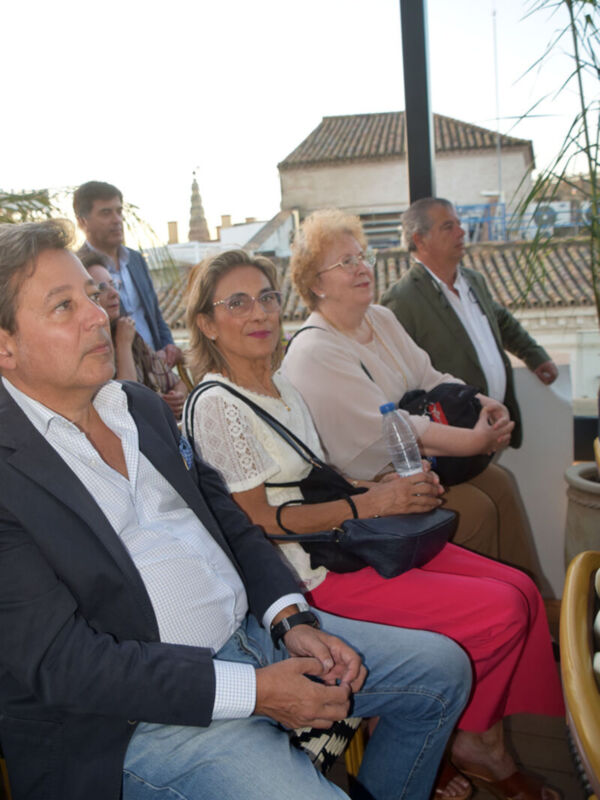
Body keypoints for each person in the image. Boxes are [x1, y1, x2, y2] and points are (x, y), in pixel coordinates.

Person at [0, 218, 472, 800]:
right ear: (5, 343)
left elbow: (227, 520)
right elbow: (64, 664)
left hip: (254, 635)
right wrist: (253, 691)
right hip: (137, 718)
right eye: (63, 307)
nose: (99, 315)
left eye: (91, 296)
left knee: (441, 672)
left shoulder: (138, 408)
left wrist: (290, 618)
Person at [182, 248, 564, 800]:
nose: (260, 313)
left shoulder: (279, 385)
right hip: (309, 578)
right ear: (206, 323)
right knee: (502, 610)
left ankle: (460, 735)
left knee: (522, 589)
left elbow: (314, 478)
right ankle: (472, 742)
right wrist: (371, 506)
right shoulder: (217, 403)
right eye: (236, 303)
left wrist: (387, 490)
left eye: (266, 297)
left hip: (342, 542)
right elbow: (259, 523)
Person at [283, 208, 547, 584]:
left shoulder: (380, 319)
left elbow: (432, 377)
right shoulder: (315, 351)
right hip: (373, 490)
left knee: (501, 484)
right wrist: (475, 440)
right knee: (477, 510)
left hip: (418, 468)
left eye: (363, 257)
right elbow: (393, 429)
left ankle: (539, 609)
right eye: (346, 262)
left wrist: (483, 401)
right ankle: (501, 615)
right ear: (316, 284)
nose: (362, 268)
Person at [381, 197, 558, 449]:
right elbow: (397, 377)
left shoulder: (473, 281)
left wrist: (535, 356)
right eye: (448, 226)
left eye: (459, 223)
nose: (461, 231)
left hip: (495, 424)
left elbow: (502, 321)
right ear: (420, 239)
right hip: (456, 438)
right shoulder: (402, 300)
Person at [74, 180, 182, 366]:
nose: (117, 220)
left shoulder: (136, 260)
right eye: (106, 213)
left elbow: (155, 315)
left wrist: (168, 348)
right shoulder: (78, 268)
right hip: (119, 374)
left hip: (159, 369)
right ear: (83, 221)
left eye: (119, 211)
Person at [80, 251, 187, 419]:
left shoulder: (129, 333)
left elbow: (177, 382)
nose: (114, 293)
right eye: (101, 288)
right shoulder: (89, 350)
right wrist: (123, 345)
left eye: (113, 284)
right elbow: (126, 403)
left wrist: (176, 398)